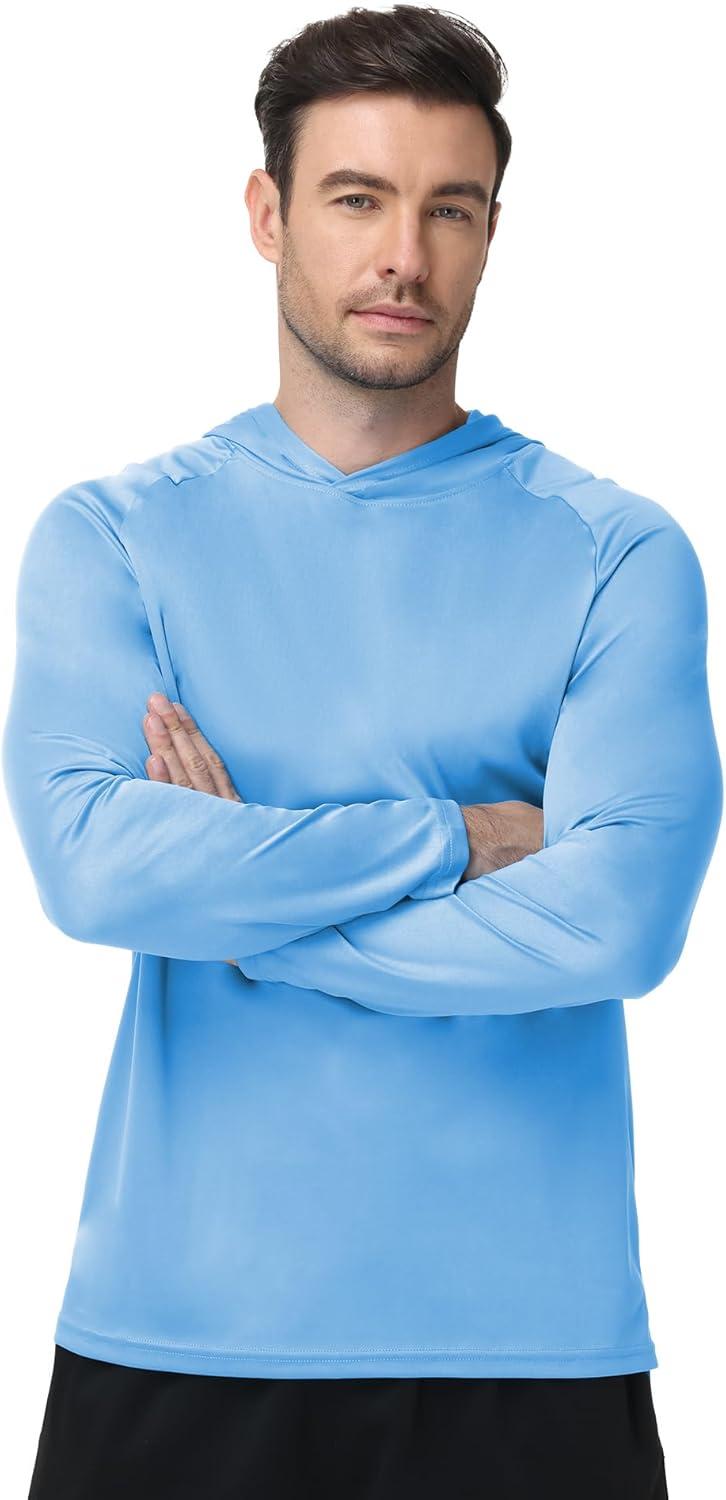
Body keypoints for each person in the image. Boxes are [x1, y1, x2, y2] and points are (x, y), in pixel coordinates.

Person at [4, 6, 720, 1497]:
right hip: (180, 1332)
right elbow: (94, 873)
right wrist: (465, 838)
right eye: (357, 198)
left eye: (449, 208)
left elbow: (613, 923)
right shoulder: (115, 537)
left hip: (530, 1348)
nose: (404, 256)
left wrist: (240, 910)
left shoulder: (617, 552)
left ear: (490, 233)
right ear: (267, 215)